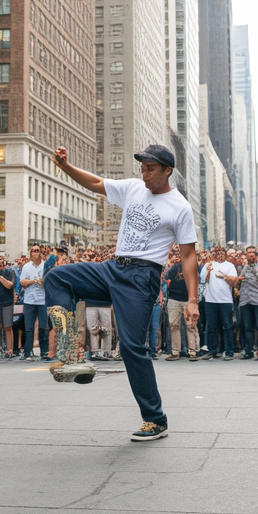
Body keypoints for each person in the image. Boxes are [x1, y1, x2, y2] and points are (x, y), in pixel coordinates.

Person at [45, 143, 199, 441]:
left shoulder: (180, 207)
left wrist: (192, 300)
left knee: (131, 347)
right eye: (142, 168)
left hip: (142, 279)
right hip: (112, 268)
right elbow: (96, 182)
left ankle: (155, 420)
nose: (145, 174)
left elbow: (188, 255)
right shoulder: (132, 188)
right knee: (57, 277)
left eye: (151, 169)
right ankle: (69, 351)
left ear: (168, 171)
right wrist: (65, 168)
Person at [232, 246, 258, 359]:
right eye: (249, 254)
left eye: (253, 254)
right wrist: (237, 281)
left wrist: (255, 271)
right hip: (245, 300)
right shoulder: (242, 268)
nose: (251, 255)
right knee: (247, 326)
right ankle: (248, 350)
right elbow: (236, 283)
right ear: (246, 256)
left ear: (256, 256)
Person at [202, 246, 237, 360]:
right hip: (210, 300)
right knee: (211, 327)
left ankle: (229, 351)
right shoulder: (209, 265)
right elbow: (202, 279)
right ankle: (212, 350)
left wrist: (224, 276)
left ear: (225, 254)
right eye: (218, 253)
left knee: (227, 326)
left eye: (222, 253)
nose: (220, 255)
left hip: (225, 300)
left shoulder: (230, 266)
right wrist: (208, 271)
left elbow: (234, 281)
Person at [19, 246, 46, 361]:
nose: (35, 253)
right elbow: (22, 282)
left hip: (43, 300)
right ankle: (28, 351)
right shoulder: (26, 266)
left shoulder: (45, 265)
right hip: (29, 300)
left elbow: (49, 281)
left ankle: (44, 351)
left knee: (43, 326)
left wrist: (43, 281)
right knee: (28, 327)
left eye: (37, 251)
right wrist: (34, 281)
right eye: (33, 251)